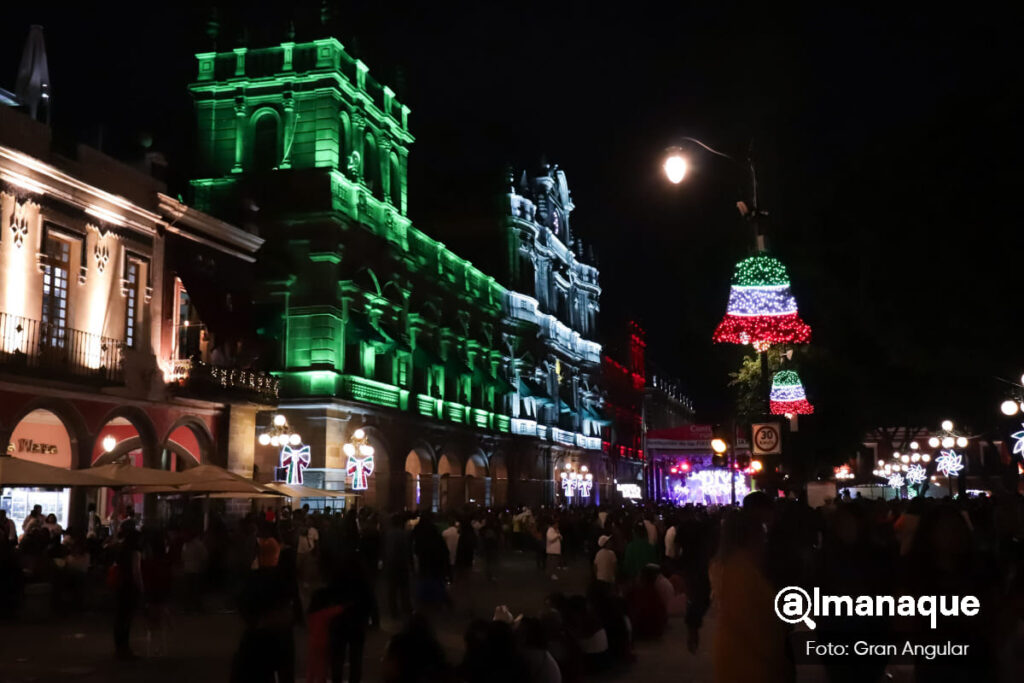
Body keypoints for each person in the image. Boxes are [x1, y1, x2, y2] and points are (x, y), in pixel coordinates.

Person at [112, 529, 144, 660]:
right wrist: (141, 588)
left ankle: (119, 647)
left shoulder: (121, 550)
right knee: (126, 619)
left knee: (120, 618)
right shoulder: (135, 553)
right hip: (130, 587)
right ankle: (125, 648)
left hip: (120, 585)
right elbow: (136, 572)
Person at [382, 513, 412, 619]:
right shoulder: (404, 534)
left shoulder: (388, 534)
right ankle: (406, 608)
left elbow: (386, 550)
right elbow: (407, 551)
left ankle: (393, 610)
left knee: (392, 590)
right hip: (402, 564)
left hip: (391, 565)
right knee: (404, 589)